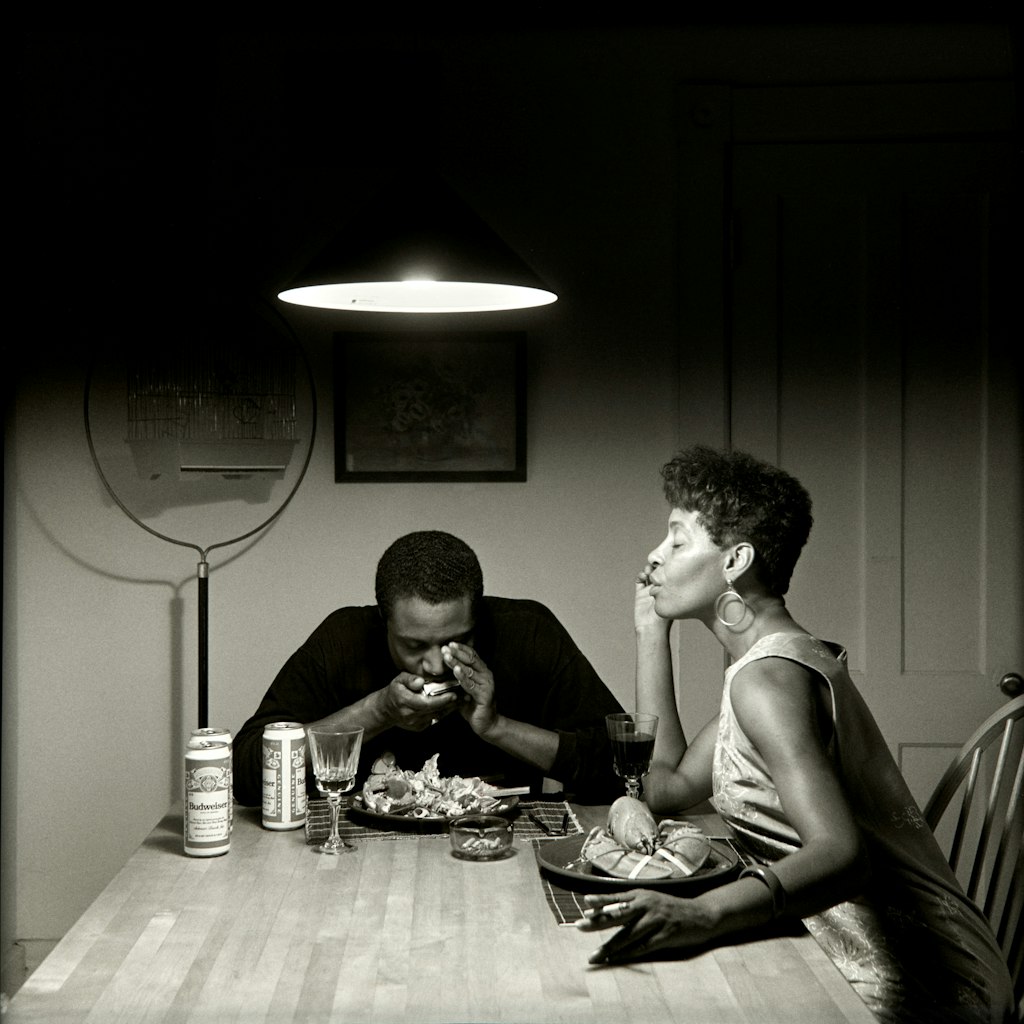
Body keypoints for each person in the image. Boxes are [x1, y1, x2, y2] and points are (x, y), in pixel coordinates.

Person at [578, 446, 1015, 1024]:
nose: (654, 556)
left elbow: (843, 855)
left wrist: (704, 914)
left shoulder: (766, 681)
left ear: (736, 560)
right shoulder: (772, 662)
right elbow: (666, 787)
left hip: (925, 980)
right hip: (855, 943)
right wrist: (649, 633)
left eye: (678, 541)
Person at [233, 530, 624, 805]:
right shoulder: (343, 639)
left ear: (479, 619)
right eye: (414, 645)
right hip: (360, 853)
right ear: (384, 622)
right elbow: (248, 775)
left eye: (459, 640)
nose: (437, 665)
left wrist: (497, 727)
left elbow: (623, 770)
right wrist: (377, 712)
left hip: (498, 845)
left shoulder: (529, 632)